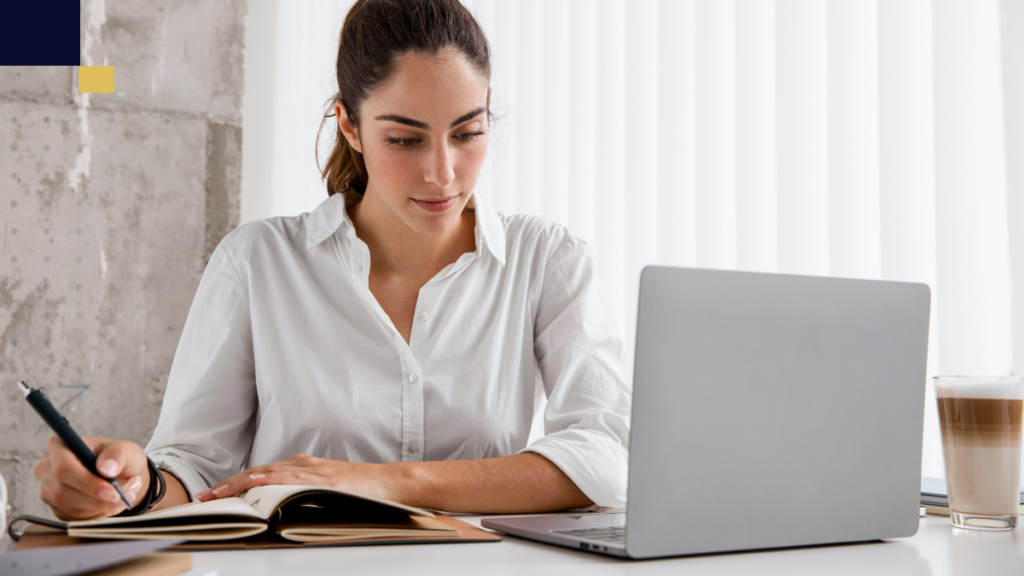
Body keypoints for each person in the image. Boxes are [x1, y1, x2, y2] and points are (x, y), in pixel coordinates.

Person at [33, 0, 630, 521]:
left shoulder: (547, 259)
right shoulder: (258, 262)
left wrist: (388, 483)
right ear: (348, 123)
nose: (443, 172)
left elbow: (608, 455)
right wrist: (132, 484)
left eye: (468, 131)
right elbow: (192, 468)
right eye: (404, 139)